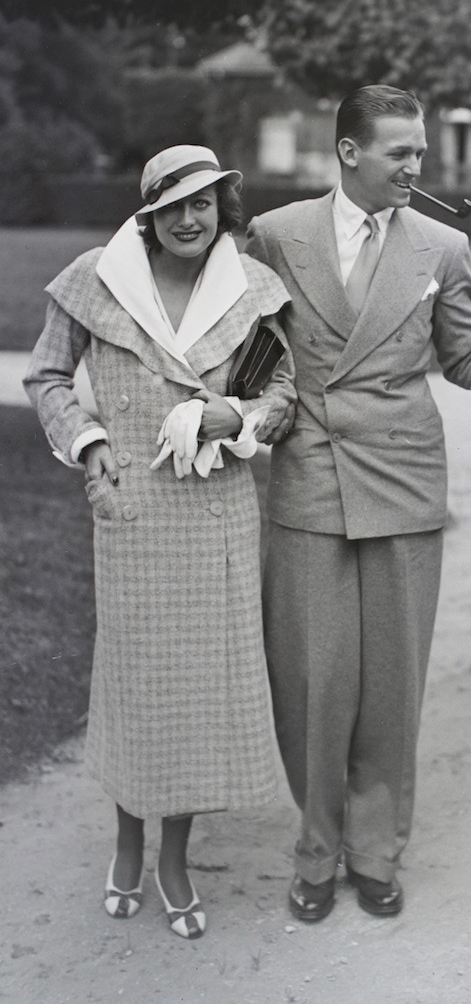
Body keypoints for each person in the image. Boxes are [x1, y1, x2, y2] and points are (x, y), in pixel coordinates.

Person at [245, 85, 471, 922]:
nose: (417, 166)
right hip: (311, 480)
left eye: (420, 150)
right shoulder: (275, 235)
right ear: (350, 153)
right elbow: (250, 353)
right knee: (312, 685)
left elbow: (467, 355)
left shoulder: (442, 246)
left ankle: (375, 853)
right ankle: (317, 849)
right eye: (400, 151)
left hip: (402, 480)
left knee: (391, 685)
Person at [24, 145, 296, 940]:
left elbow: (281, 390)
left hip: (218, 516)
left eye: (204, 202)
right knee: (139, 685)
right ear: (147, 214)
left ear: (222, 208)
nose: (190, 218)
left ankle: (174, 856)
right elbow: (45, 377)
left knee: (197, 696)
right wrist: (89, 442)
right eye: (173, 205)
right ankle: (125, 838)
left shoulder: (251, 288)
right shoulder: (96, 279)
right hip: (134, 513)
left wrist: (234, 418)